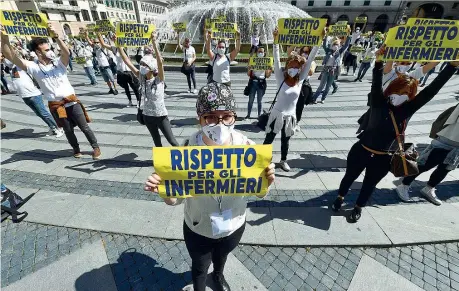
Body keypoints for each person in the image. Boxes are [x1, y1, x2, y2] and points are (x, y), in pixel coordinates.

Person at [144, 82, 275, 291]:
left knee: (222, 257)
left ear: (234, 117)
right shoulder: (186, 149)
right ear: (200, 119)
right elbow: (175, 199)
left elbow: (259, 193)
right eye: (211, 116)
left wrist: (267, 181)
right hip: (198, 227)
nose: (219, 123)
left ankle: (219, 276)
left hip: (233, 224)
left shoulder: (248, 147)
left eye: (226, 116)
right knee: (199, 267)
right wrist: (161, 189)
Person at [332, 45, 459, 223]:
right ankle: (339, 197)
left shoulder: (408, 108)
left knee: (370, 184)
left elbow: (431, 91)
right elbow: (376, 81)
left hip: (384, 157)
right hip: (361, 150)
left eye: (406, 94)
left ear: (412, 96)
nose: (401, 96)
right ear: (391, 90)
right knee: (349, 177)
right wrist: (378, 61)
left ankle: (358, 207)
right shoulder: (378, 101)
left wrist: (451, 67)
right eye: (398, 92)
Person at [2, 24, 101, 159]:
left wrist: (56, 37)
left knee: (85, 127)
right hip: (56, 105)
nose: (50, 52)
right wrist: (4, 38)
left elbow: (66, 52)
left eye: (50, 49)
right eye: (46, 50)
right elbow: (10, 55)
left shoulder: (59, 63)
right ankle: (76, 149)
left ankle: (95, 147)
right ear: (38, 52)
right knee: (68, 130)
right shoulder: (33, 67)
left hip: (72, 101)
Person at [263, 28, 319, 172]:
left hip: (290, 116)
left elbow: (311, 59)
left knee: (285, 140)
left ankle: (283, 160)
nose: (293, 69)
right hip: (277, 114)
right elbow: (276, 59)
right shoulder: (280, 77)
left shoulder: (300, 80)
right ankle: (262, 159)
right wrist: (276, 41)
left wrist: (319, 41)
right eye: (291, 66)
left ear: (300, 69)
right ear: (287, 66)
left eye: (296, 67)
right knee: (269, 138)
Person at [119, 32, 179, 147]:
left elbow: (160, 63)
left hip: (161, 116)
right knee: (157, 142)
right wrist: (119, 44)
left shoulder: (159, 80)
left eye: (144, 64)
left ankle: (183, 158)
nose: (141, 66)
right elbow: (126, 60)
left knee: (172, 141)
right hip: (147, 116)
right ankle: (162, 163)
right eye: (141, 64)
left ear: (151, 67)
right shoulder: (141, 78)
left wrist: (154, 42)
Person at [396, 105, 459, 205]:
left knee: (445, 169)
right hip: (447, 137)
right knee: (425, 164)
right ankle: (404, 185)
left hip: (457, 145)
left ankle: (429, 188)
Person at [2, 48, 64, 137]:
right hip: (24, 95)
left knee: (43, 112)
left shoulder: (21, 65)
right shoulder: (12, 68)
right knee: (39, 113)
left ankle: (59, 128)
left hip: (33, 93)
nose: (6, 61)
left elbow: (13, 57)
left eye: (7, 59)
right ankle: (52, 127)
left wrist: (9, 50)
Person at [98, 33, 141, 107]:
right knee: (126, 88)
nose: (115, 39)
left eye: (116, 38)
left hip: (128, 71)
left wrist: (117, 38)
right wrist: (98, 34)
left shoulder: (125, 47)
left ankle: (138, 101)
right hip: (121, 71)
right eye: (114, 38)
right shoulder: (115, 48)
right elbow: (103, 44)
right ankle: (130, 101)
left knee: (134, 87)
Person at [312, 32, 351, 104]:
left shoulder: (339, 52)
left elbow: (346, 45)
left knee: (328, 86)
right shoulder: (328, 51)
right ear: (332, 45)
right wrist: (326, 35)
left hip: (333, 70)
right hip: (326, 69)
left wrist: (348, 36)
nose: (336, 46)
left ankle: (323, 98)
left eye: (337, 45)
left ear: (339, 46)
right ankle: (314, 98)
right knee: (321, 86)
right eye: (335, 45)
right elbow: (324, 45)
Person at [245, 46, 272, 119]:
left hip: (261, 83)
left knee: (259, 101)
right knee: (251, 100)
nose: (260, 53)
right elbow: (248, 74)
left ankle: (259, 116)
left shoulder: (267, 62)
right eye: (259, 52)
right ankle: (248, 115)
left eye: (262, 52)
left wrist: (269, 70)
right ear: (256, 53)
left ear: (264, 53)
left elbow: (267, 75)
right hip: (253, 82)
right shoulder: (253, 61)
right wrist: (249, 69)